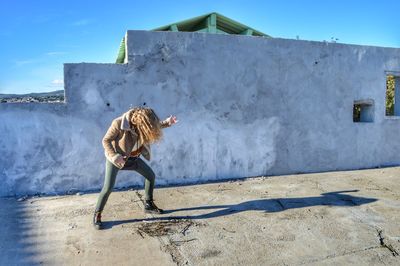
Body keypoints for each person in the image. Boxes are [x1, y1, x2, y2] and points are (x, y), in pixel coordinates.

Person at [93, 107, 178, 229]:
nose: (147, 129)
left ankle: (149, 205)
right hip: (117, 159)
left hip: (133, 159)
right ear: (139, 121)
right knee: (108, 187)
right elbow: (106, 140)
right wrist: (114, 156)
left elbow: (153, 125)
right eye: (145, 126)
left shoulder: (144, 123)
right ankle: (97, 214)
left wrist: (167, 123)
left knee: (150, 176)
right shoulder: (118, 123)